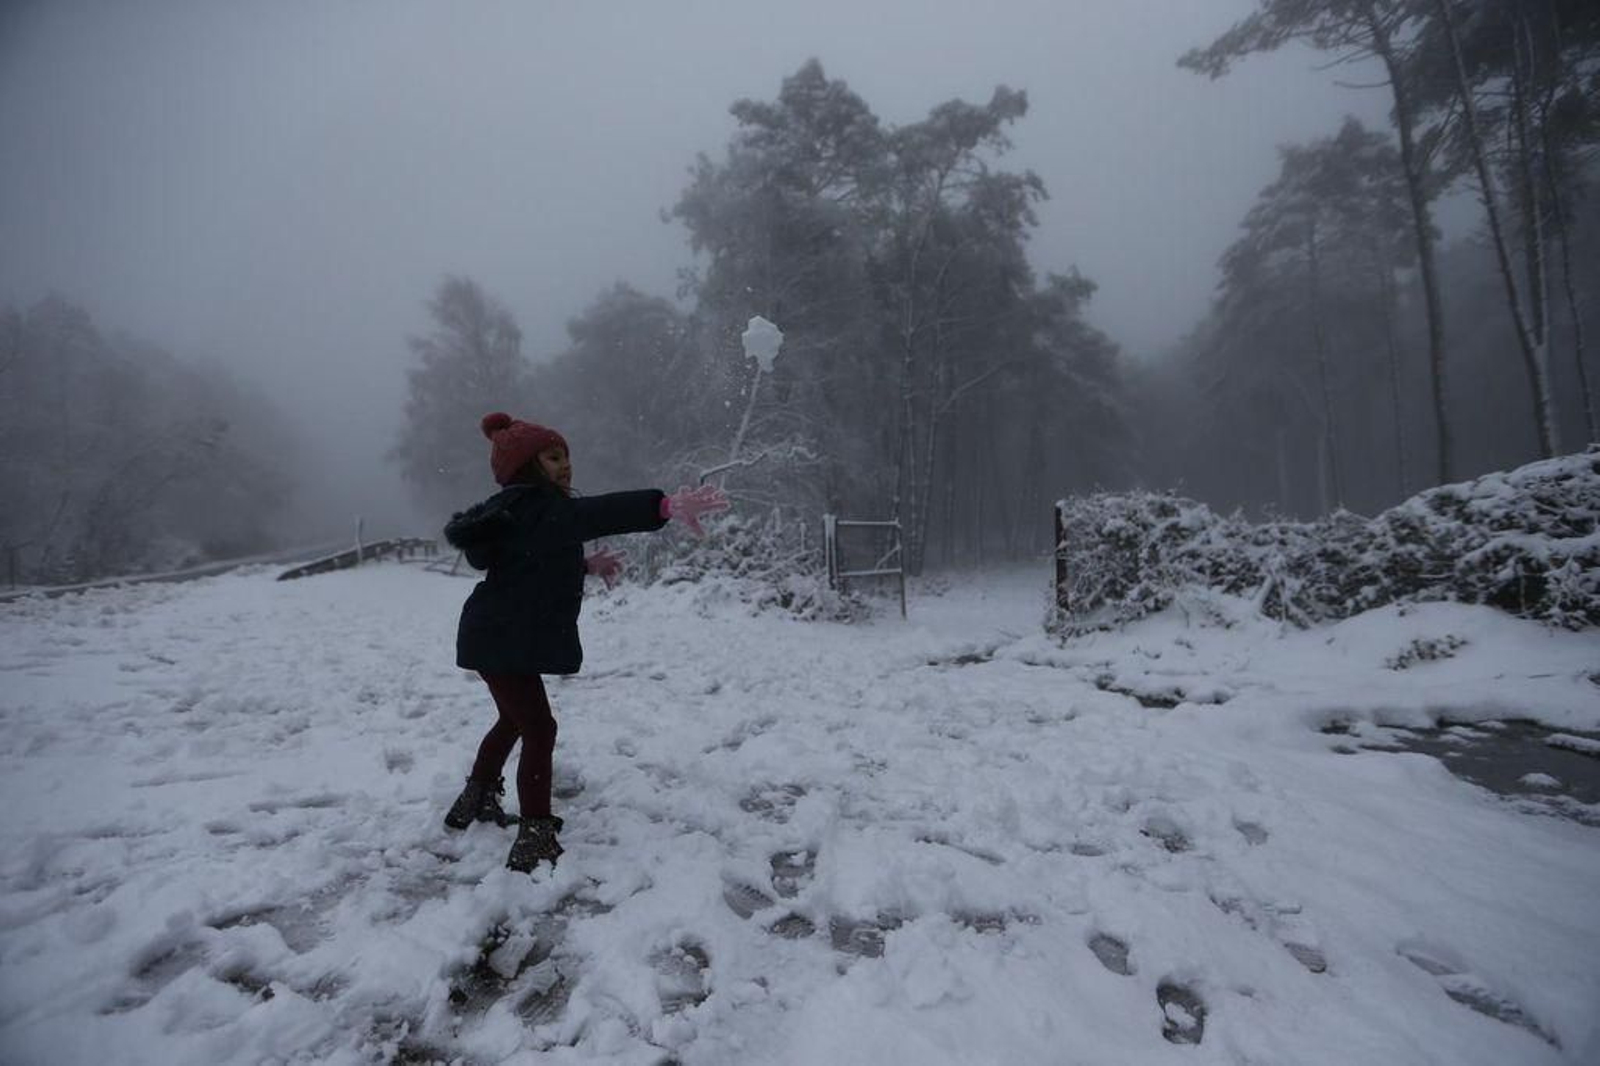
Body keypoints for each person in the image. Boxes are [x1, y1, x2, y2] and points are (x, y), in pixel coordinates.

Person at [441, 411, 728, 873]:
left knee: (514, 721)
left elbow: (528, 563)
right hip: (502, 639)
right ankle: (534, 833)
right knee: (539, 729)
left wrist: (584, 567)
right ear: (526, 466)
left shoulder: (516, 512)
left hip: (493, 636)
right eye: (553, 457)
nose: (566, 465)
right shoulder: (542, 508)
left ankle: (474, 800)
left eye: (566, 456)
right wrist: (663, 506)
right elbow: (598, 512)